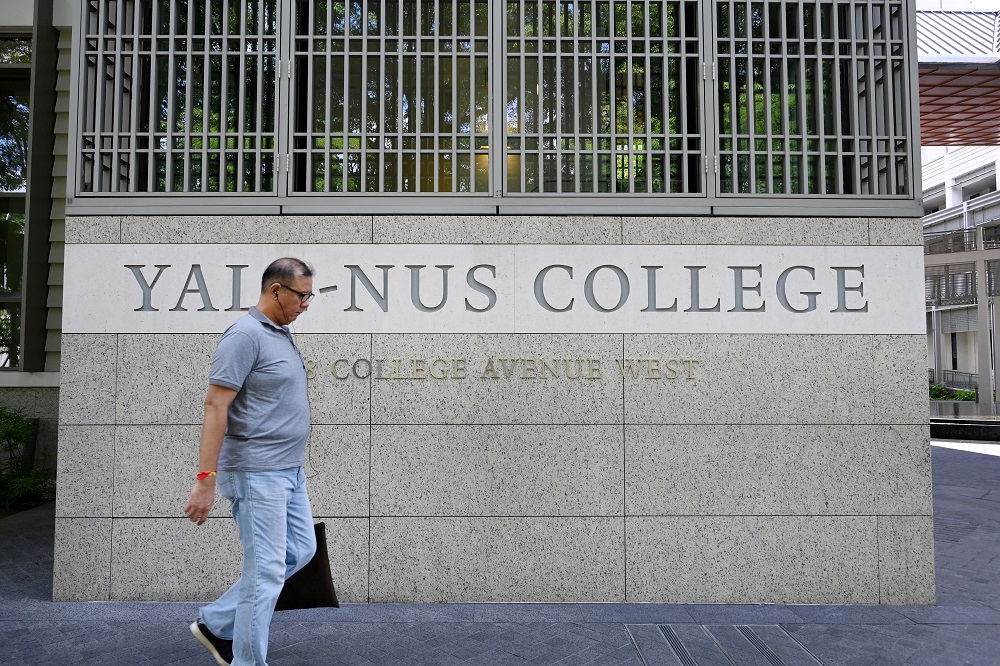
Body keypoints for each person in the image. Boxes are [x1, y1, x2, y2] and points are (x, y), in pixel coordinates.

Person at [183, 257, 318, 666]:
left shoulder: (281, 333)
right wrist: (205, 480)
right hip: (257, 472)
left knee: (301, 550)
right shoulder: (244, 335)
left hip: (289, 471)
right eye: (301, 295)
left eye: (311, 296)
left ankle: (216, 622)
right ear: (276, 290)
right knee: (265, 575)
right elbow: (215, 406)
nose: (306, 304)